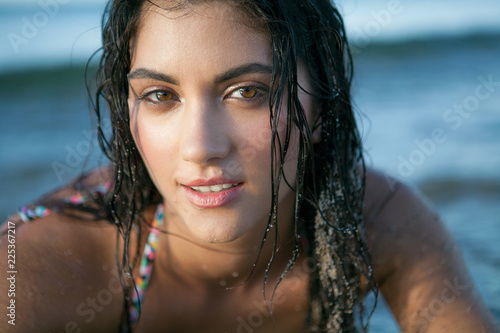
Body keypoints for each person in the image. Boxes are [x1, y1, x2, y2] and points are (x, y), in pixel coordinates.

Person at [1, 0, 498, 332]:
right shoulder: (38, 264)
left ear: (320, 105)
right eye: (160, 95)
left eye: (248, 92)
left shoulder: (379, 223)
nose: (201, 148)